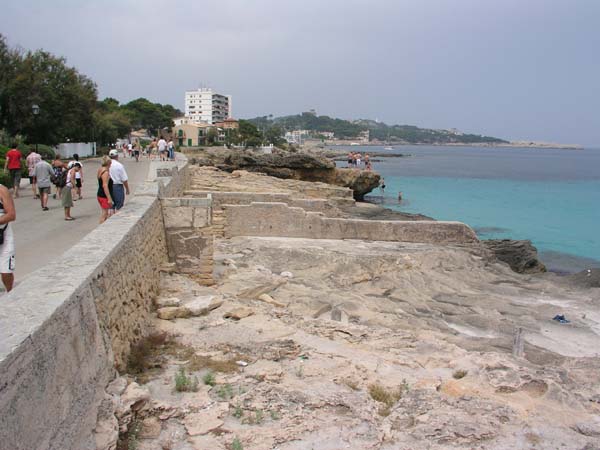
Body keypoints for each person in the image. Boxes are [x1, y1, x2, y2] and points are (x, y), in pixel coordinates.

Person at [0, 183, 16, 292]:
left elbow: (11, 214)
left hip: (4, 236)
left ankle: (10, 293)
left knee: (6, 271)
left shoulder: (2, 190)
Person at [97, 156, 114, 223]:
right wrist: (109, 198)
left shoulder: (100, 169)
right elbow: (105, 185)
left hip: (100, 194)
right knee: (105, 213)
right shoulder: (105, 173)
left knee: (105, 212)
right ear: (109, 163)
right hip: (104, 196)